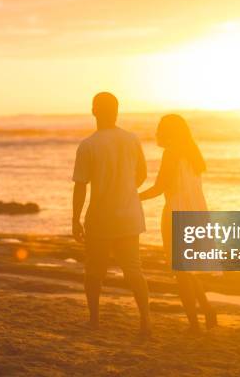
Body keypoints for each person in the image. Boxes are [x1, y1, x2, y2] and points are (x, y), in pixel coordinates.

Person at [72, 92, 151, 335]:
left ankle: (94, 320)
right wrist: (125, 190)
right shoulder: (131, 139)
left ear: (94, 110)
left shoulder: (88, 145)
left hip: (101, 218)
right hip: (129, 215)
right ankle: (145, 322)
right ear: (117, 111)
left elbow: (80, 185)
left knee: (94, 272)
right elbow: (143, 175)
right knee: (134, 270)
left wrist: (75, 219)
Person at [139, 114, 217, 332]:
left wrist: (133, 197)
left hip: (176, 215)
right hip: (197, 215)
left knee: (182, 273)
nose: (156, 133)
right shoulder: (193, 154)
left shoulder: (171, 153)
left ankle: (194, 324)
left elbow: (159, 188)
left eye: (160, 129)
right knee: (188, 270)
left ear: (168, 132)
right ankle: (208, 311)